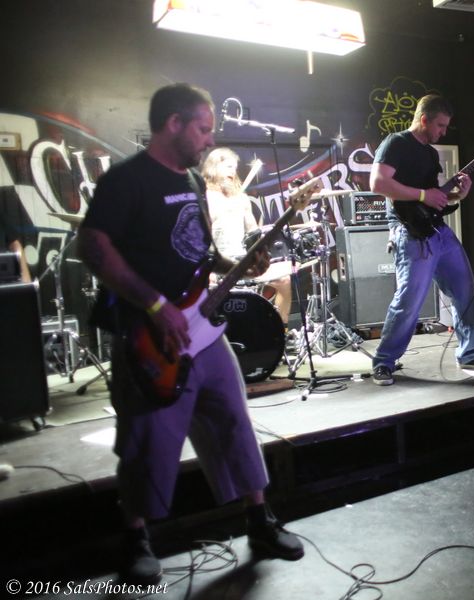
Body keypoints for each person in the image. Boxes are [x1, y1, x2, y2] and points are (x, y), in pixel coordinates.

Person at [77, 83, 307, 585]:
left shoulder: (187, 180)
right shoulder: (127, 180)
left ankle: (259, 521)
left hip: (203, 329)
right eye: (202, 128)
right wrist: (154, 305)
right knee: (146, 438)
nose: (209, 139)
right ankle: (135, 540)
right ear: (174, 124)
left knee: (234, 421)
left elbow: (199, 254)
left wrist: (239, 265)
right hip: (149, 333)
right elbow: (91, 247)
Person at [369, 94, 474, 386]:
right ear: (424, 119)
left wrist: (458, 195)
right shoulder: (396, 143)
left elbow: (434, 199)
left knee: (465, 289)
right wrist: (424, 194)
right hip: (408, 231)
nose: (443, 132)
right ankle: (384, 361)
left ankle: (471, 352)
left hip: (436, 229)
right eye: (440, 125)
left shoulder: (430, 154)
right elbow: (378, 183)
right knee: (410, 299)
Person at [201, 148, 294, 325]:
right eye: (228, 167)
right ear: (214, 167)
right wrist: (209, 270)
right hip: (218, 263)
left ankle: (280, 329)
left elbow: (253, 233)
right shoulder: (206, 197)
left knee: (284, 280)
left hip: (241, 261)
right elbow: (202, 238)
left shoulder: (241, 198)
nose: (232, 172)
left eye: (234, 168)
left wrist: (259, 255)